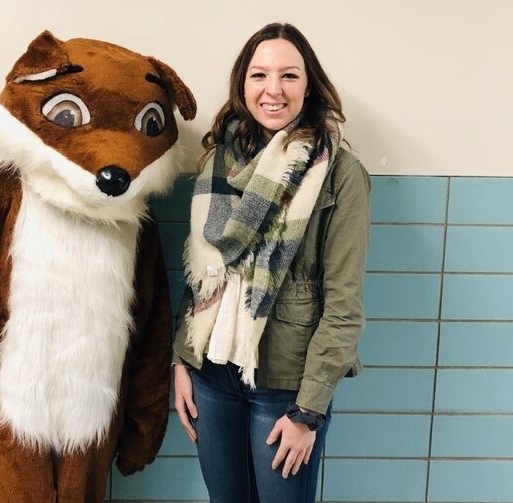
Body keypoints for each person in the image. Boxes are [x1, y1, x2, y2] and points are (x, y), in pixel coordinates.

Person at [172, 22, 370, 503]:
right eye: (260, 75)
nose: (273, 90)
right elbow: (203, 271)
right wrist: (182, 357)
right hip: (212, 374)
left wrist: (309, 412)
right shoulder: (218, 161)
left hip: (284, 387)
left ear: (310, 85)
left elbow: (343, 305)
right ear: (243, 83)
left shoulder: (339, 172)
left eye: (289, 75)